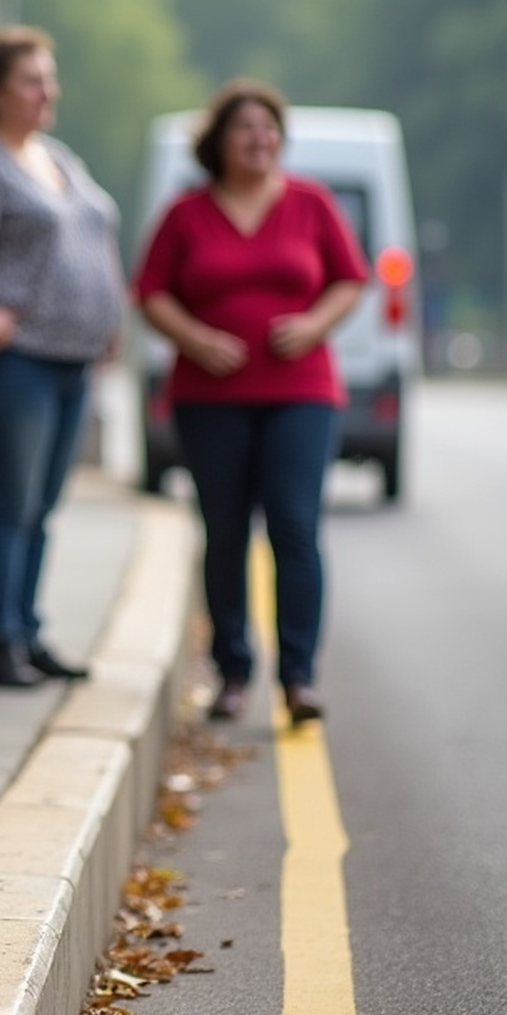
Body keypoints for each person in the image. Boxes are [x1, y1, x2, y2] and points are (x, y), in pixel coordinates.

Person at [133, 80, 368, 725]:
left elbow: (352, 278)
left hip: (301, 392)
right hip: (210, 396)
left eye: (269, 128)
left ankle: (299, 677)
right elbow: (150, 291)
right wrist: (196, 338)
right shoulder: (187, 214)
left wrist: (316, 324)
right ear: (220, 142)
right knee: (226, 529)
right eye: (246, 128)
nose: (259, 139)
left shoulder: (311, 204)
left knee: (294, 524)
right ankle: (233, 671)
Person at [0, 27, 125, 689]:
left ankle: (27, 626)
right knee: (10, 501)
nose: (46, 92)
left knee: (47, 502)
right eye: (31, 80)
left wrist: (110, 317)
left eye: (49, 79)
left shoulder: (57, 157)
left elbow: (96, 232)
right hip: (21, 355)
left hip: (74, 357)